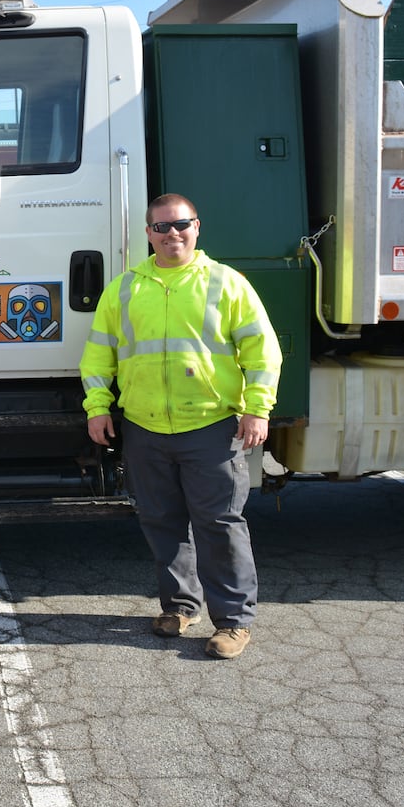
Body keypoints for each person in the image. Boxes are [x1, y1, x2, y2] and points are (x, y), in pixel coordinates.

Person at [79, 194, 281, 660]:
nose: (173, 234)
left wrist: (258, 409)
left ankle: (233, 623)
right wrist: (98, 406)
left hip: (210, 425)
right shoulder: (126, 288)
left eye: (182, 225)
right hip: (145, 428)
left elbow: (262, 352)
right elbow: (97, 355)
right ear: (147, 233)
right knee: (161, 521)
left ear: (197, 227)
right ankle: (180, 606)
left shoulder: (226, 284)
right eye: (162, 227)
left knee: (220, 524)